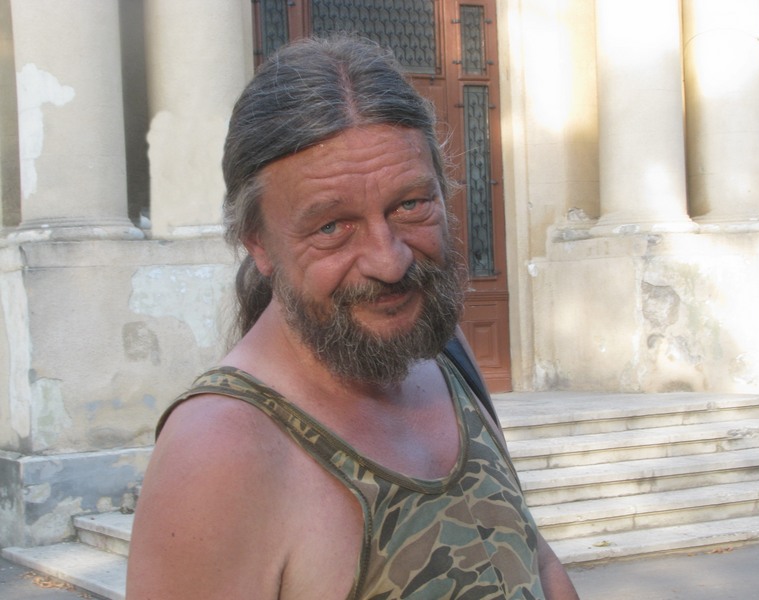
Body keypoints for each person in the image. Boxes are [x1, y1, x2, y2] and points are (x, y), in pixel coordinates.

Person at [126, 35, 579, 600]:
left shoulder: (437, 347)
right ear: (258, 243)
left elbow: (531, 556)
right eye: (332, 227)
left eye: (411, 204)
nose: (390, 261)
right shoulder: (220, 451)